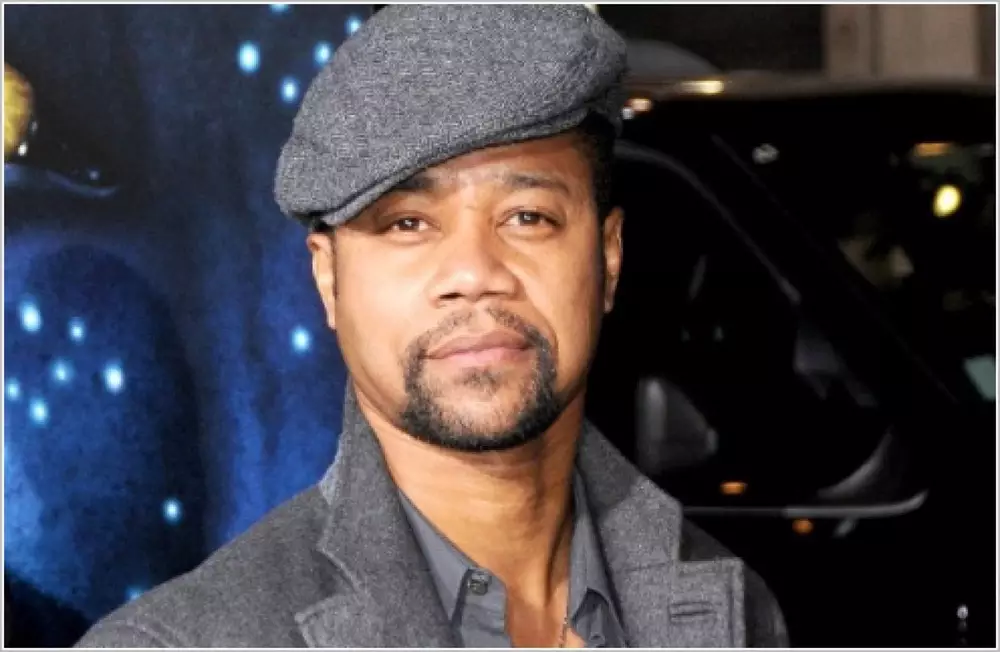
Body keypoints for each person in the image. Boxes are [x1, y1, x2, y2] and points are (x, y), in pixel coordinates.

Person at [78, 5, 787, 647]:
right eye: (408, 224)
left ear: (608, 258)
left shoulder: (737, 611)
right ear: (328, 279)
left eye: (527, 217)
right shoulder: (181, 642)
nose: (474, 272)